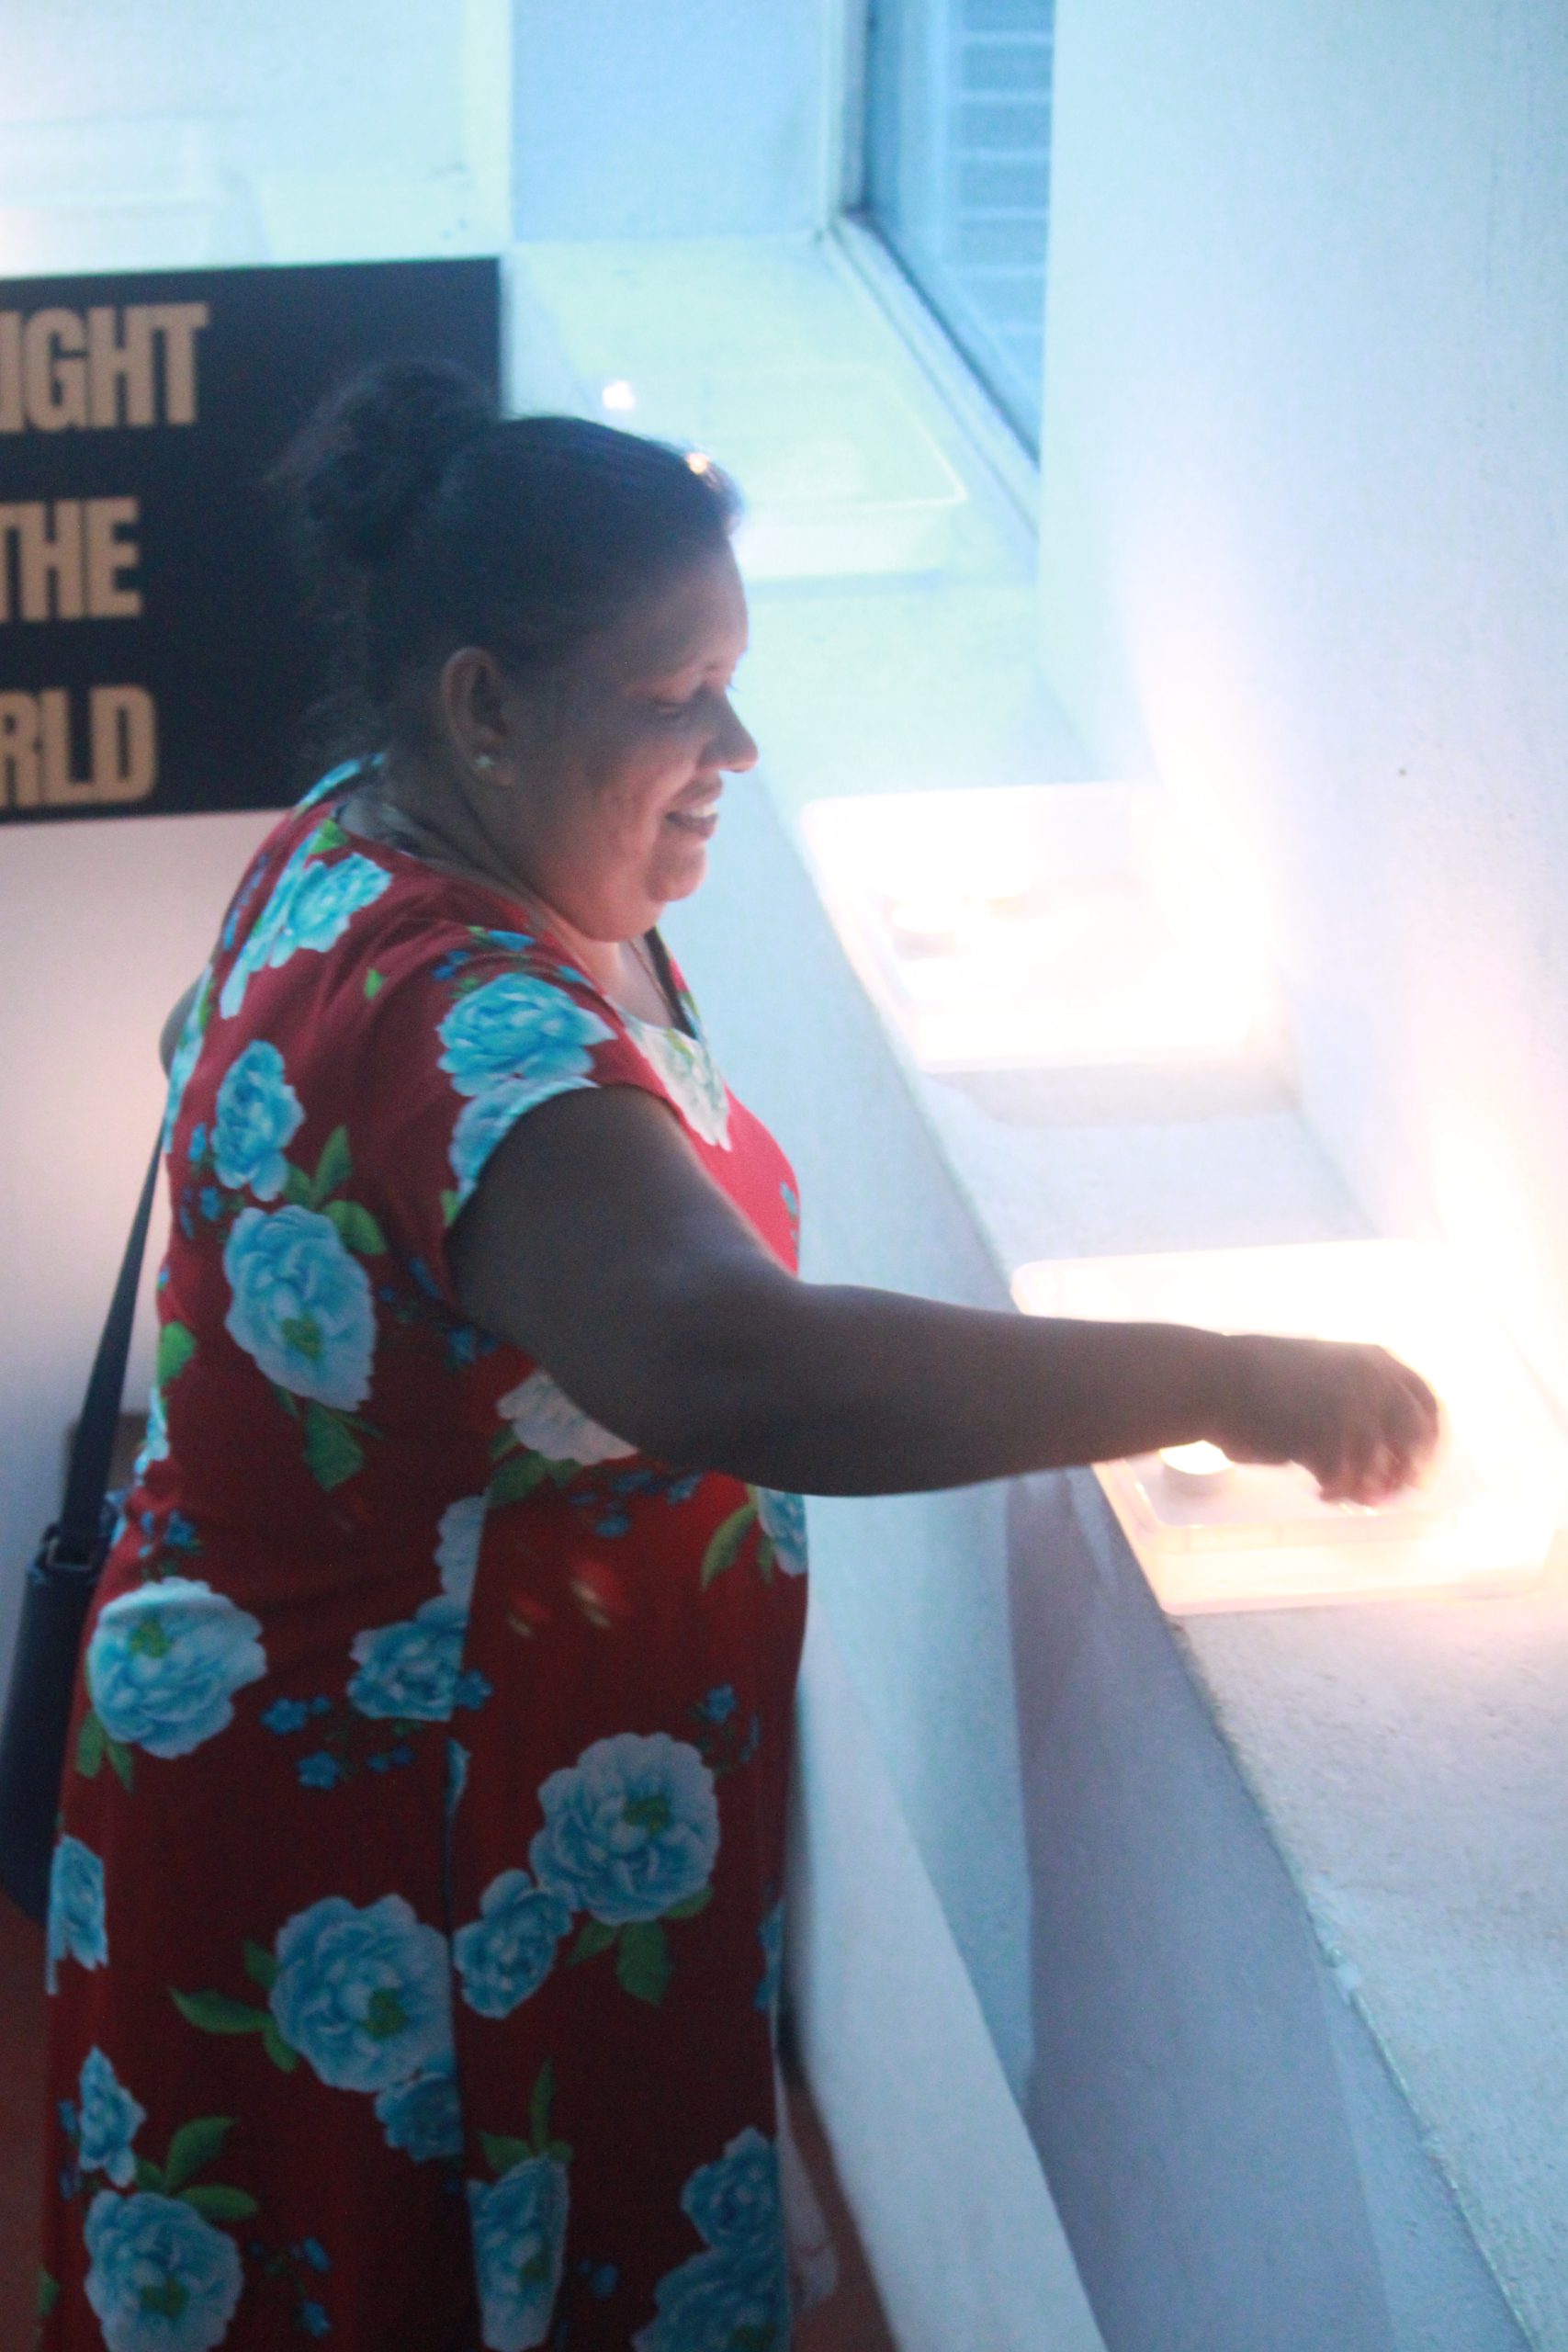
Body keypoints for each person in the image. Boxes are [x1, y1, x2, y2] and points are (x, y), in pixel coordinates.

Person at [39, 362, 1438, 2352]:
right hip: (402, 1861)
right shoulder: (460, 1023)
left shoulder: (379, 837)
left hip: (389, 1779)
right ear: (485, 703)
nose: (738, 746)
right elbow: (738, 1359)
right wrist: (1229, 1377)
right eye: (679, 693)